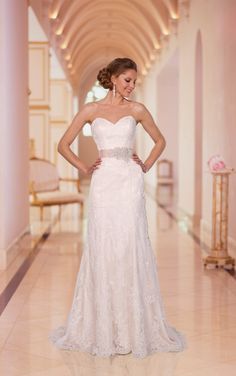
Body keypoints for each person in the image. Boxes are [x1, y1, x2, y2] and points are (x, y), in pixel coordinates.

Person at [49, 57, 186, 358]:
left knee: (128, 246)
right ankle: (103, 325)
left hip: (129, 180)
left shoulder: (136, 110)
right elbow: (63, 144)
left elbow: (160, 140)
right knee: (103, 247)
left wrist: (146, 165)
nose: (131, 86)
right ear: (112, 78)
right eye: (127, 80)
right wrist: (84, 167)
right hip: (103, 182)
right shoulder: (90, 110)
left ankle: (132, 326)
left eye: (134, 81)